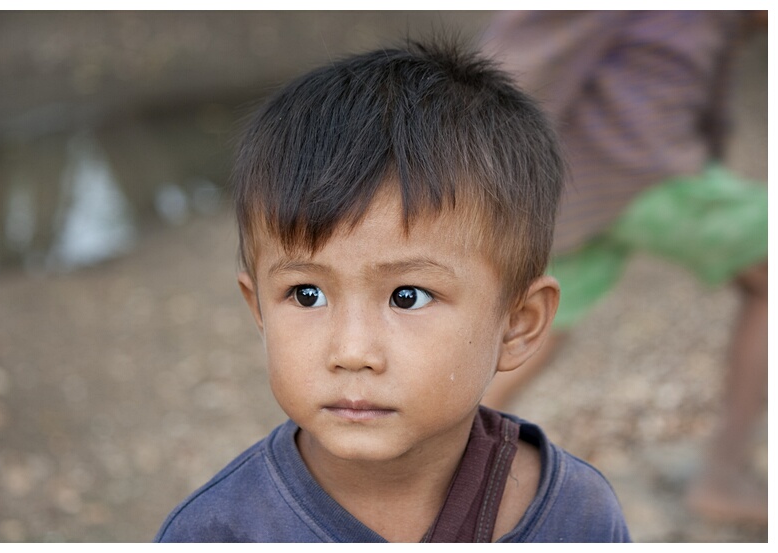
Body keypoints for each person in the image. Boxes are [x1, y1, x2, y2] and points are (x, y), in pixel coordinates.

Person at [154, 39, 631, 542]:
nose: (352, 352)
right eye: (306, 294)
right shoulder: (219, 532)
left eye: (408, 296)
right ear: (259, 310)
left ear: (518, 322)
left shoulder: (577, 517)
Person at [479, 11, 768, 525]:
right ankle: (722, 476)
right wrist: (488, 169)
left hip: (584, 187)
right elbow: (521, 57)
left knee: (542, 327)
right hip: (639, 172)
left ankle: (430, 466)